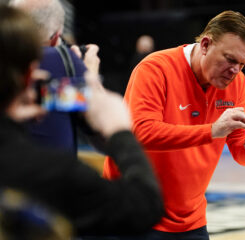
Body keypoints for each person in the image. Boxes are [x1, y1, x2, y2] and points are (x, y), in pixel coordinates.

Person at [0, 4, 163, 237]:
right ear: (29, 75)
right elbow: (143, 206)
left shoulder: (44, 91)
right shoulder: (63, 63)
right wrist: (118, 128)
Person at [103, 10, 245, 239]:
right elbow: (141, 132)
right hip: (136, 213)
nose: (235, 70)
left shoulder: (237, 84)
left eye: (242, 64)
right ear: (205, 44)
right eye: (230, 59)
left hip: (191, 220)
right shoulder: (155, 68)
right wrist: (213, 130)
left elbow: (240, 152)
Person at [9, 0, 101, 154]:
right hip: (53, 174)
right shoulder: (61, 63)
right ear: (56, 36)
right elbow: (104, 132)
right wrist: (89, 76)